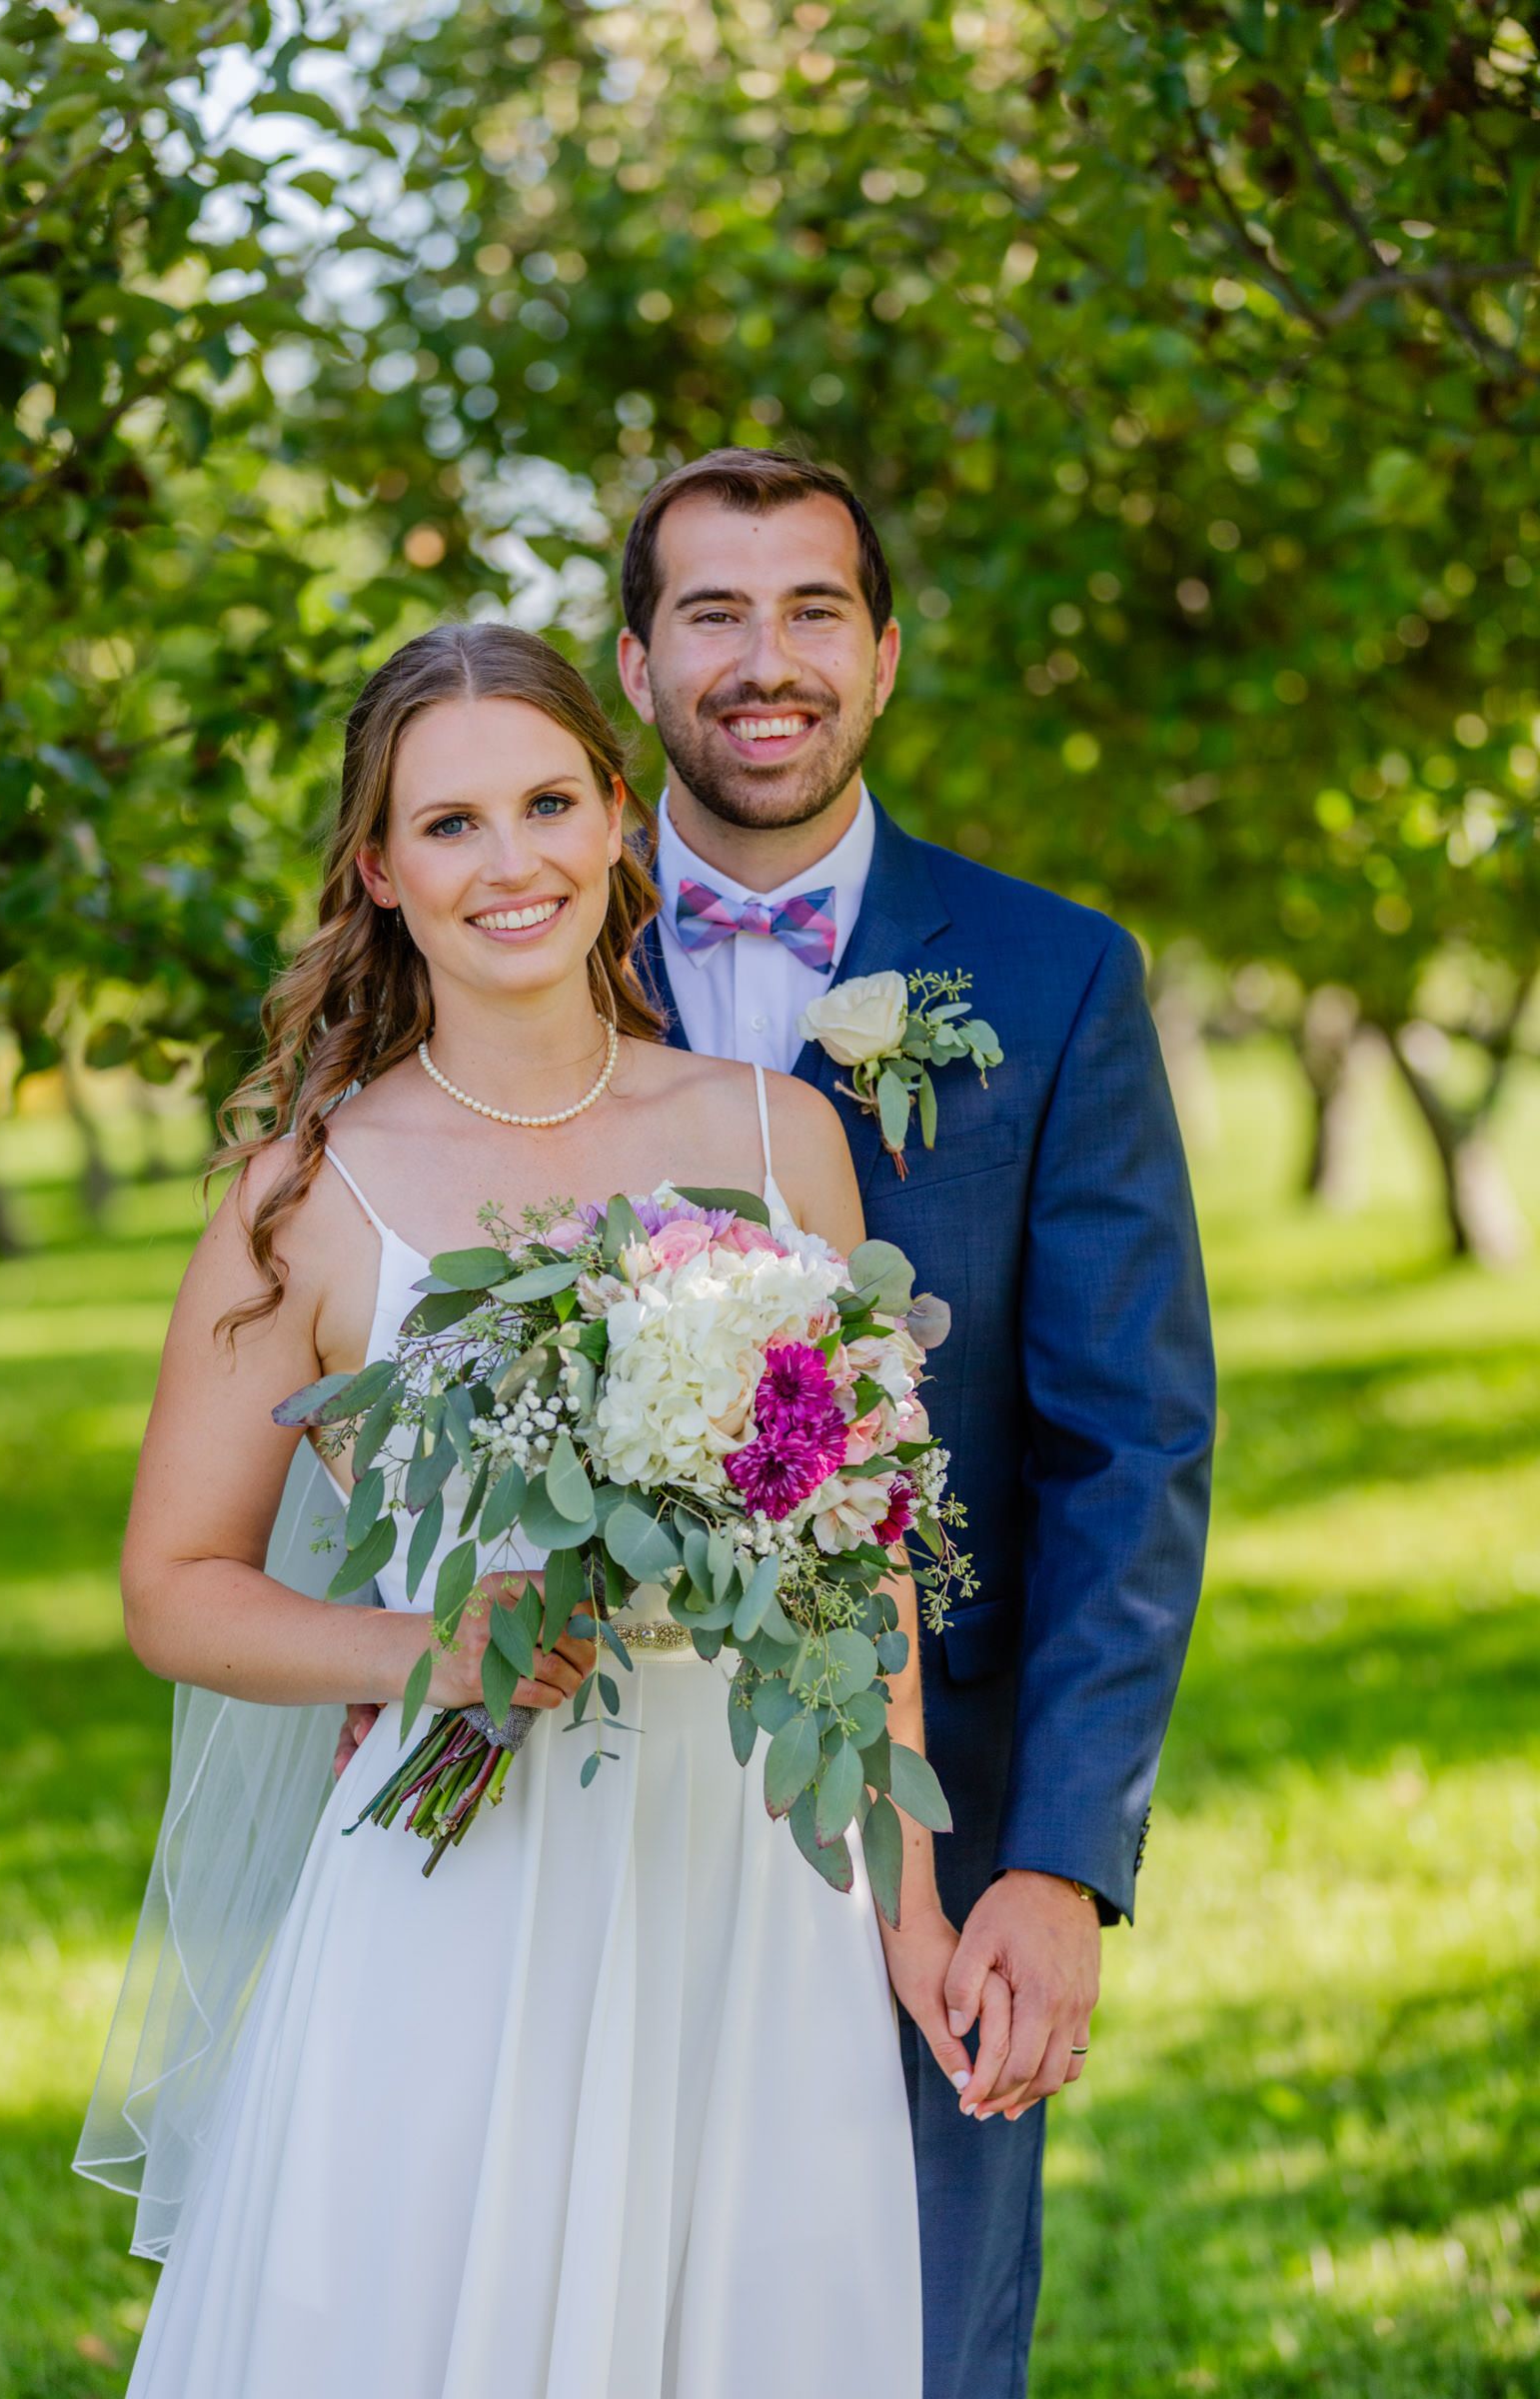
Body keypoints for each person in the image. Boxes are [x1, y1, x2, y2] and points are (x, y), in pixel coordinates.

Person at [340, 451, 1215, 2393]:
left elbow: (1128, 1444)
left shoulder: (1053, 975)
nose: (767, 661)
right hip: (546, 1769)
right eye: (711, 615)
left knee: (887, 2329)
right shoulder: (512, 917)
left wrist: (1055, 1859)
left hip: (915, 1782)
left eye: (812, 609)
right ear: (634, 670)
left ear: (882, 657)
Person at [94, 622, 971, 2397]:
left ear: (621, 817)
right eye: (451, 824)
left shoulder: (773, 1131)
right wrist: (435, 1639)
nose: (514, 864)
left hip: (749, 1869)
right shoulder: (308, 1193)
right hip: (466, 1855)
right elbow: (174, 1587)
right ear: (380, 869)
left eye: (551, 801)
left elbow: (862, 1551)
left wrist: (911, 1897)